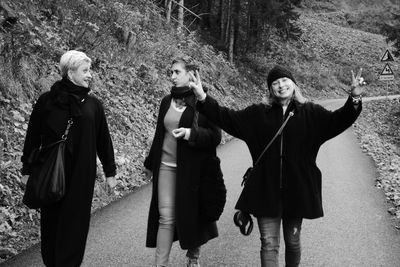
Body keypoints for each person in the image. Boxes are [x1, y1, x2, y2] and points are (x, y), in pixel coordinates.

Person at [189, 65, 364, 267]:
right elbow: (226, 117)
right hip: (265, 191)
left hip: (297, 191)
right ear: (270, 89)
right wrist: (202, 97)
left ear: (293, 84)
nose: (281, 85)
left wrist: (354, 99)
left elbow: (338, 120)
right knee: (269, 243)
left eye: (284, 80)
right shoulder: (257, 114)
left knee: (293, 242)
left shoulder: (311, 113)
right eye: (275, 82)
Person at [21, 50, 117, 267]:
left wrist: (110, 172)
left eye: (89, 70)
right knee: (52, 224)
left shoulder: (94, 105)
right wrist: (27, 169)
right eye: (85, 70)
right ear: (70, 72)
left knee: (75, 226)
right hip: (51, 173)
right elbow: (33, 136)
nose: (90, 75)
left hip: (81, 176)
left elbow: (104, 140)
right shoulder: (47, 101)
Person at [144, 58, 222, 267]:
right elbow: (159, 135)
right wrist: (150, 163)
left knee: (192, 215)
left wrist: (190, 134)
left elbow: (215, 137)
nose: (172, 76)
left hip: (193, 171)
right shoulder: (166, 101)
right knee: (166, 217)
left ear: (191, 74)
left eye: (177, 72)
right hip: (166, 168)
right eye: (171, 72)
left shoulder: (203, 102)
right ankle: (161, 264)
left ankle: (193, 257)